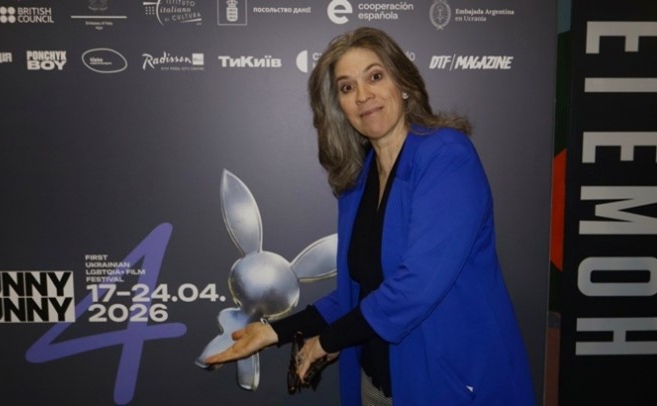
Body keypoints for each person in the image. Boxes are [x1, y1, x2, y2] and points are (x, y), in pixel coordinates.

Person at [205, 26, 535, 405]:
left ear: (403, 83)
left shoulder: (446, 156)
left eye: (375, 77)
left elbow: (415, 287)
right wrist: (275, 331)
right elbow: (357, 294)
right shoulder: (358, 182)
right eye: (347, 87)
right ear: (339, 107)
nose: (363, 95)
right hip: (376, 385)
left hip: (449, 384)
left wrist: (327, 341)